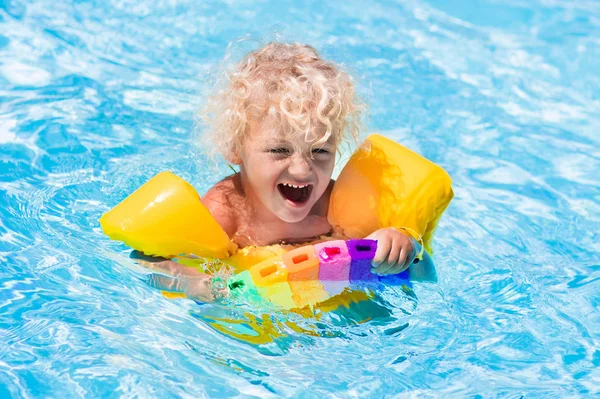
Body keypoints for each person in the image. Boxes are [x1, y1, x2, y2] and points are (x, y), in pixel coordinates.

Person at [140, 42, 418, 301]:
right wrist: (197, 283)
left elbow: (404, 253)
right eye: (279, 151)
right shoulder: (225, 212)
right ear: (236, 149)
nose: (302, 169)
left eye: (320, 151)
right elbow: (149, 262)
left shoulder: (335, 204)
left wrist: (398, 241)